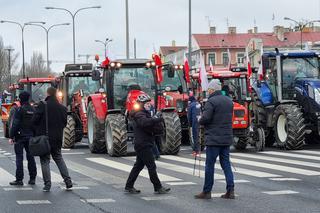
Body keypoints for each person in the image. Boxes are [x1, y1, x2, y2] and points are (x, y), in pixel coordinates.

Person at [195, 79, 235, 200]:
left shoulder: (211, 102)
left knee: (210, 165)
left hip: (213, 138)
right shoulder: (229, 101)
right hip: (226, 137)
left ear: (212, 90)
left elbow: (206, 118)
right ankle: (230, 189)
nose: (208, 92)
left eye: (209, 90)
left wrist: (199, 120)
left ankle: (207, 191)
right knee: (226, 164)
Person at [125, 94, 170, 194]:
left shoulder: (143, 113)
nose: (149, 105)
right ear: (141, 104)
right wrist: (156, 118)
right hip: (143, 144)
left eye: (150, 103)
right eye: (147, 103)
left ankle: (129, 186)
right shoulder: (139, 114)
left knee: (138, 166)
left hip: (145, 143)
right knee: (151, 166)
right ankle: (158, 187)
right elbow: (144, 123)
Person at [32, 87, 72, 192]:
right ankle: (68, 181)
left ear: (47, 93)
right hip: (57, 138)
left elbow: (34, 121)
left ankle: (47, 184)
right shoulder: (63, 108)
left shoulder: (42, 105)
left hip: (44, 139)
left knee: (45, 161)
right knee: (59, 158)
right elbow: (64, 124)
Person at [9, 91, 37, 186]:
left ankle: (19, 179)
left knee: (19, 158)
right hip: (30, 137)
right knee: (31, 158)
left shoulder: (19, 110)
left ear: (20, 99)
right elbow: (35, 124)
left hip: (20, 137)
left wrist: (11, 136)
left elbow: (15, 124)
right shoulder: (33, 109)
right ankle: (32, 178)